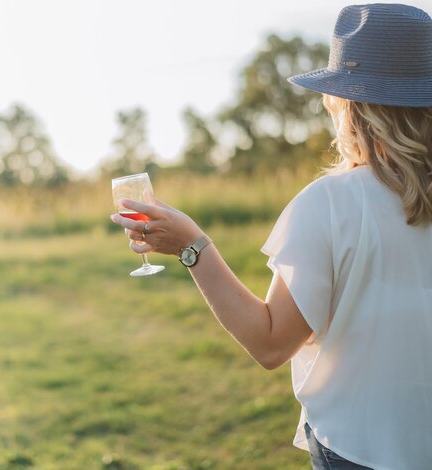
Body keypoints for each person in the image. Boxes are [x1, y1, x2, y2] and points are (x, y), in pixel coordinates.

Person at [110, 3, 432, 470]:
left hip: (359, 451)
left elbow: (271, 343)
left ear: (349, 107)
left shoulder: (330, 203)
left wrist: (192, 247)